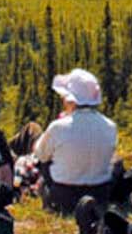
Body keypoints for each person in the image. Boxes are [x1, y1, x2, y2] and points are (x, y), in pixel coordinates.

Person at [24, 68, 118, 214]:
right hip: (99, 193)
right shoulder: (111, 126)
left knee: (35, 134)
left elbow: (41, 155)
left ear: (71, 100)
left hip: (63, 197)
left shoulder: (59, 126)